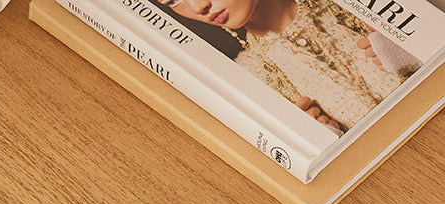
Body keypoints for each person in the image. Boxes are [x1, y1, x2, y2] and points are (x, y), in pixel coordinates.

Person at [155, 0, 420, 132]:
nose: (199, 6)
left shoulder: (350, 5)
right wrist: (314, 142)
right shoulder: (249, 78)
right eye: (172, 1)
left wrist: (420, 46)